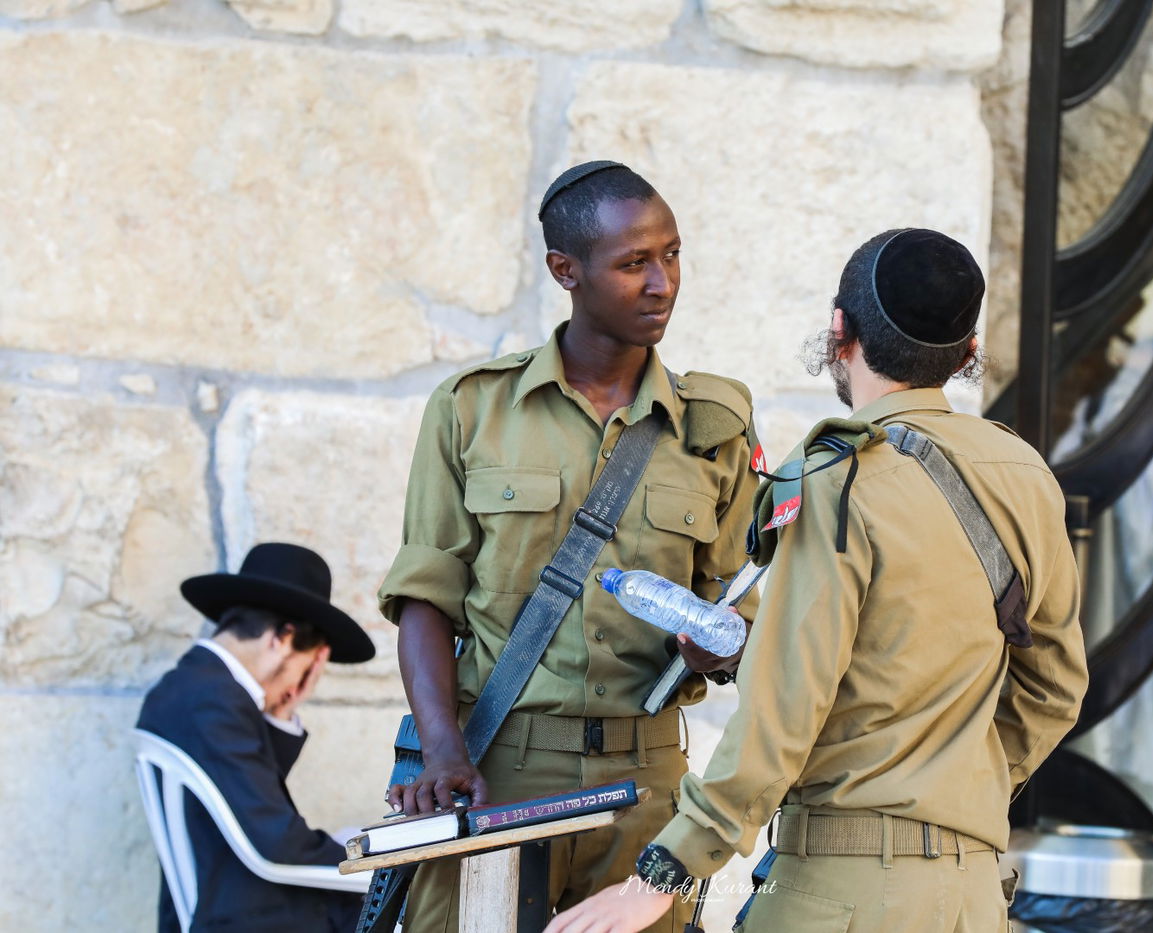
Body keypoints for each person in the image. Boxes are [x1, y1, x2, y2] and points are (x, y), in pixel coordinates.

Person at [547, 228, 1088, 933]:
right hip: (974, 898)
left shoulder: (836, 477)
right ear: (968, 351)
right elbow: (1055, 687)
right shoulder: (1024, 474)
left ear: (841, 332)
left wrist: (664, 870)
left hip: (841, 890)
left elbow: (784, 705)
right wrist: (955, 791)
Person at [377, 161, 761, 932]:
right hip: (499, 771)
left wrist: (719, 648)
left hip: (646, 779)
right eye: (634, 263)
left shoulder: (714, 425)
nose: (662, 283)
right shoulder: (473, 409)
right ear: (565, 270)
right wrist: (444, 752)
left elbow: (737, 605)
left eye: (672, 255)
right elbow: (425, 595)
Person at [137, 541, 377, 933]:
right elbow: (276, 843)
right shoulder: (211, 700)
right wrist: (378, 862)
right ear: (283, 638)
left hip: (238, 906)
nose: (305, 682)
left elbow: (250, 806)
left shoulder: (194, 686)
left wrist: (280, 715)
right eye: (309, 665)